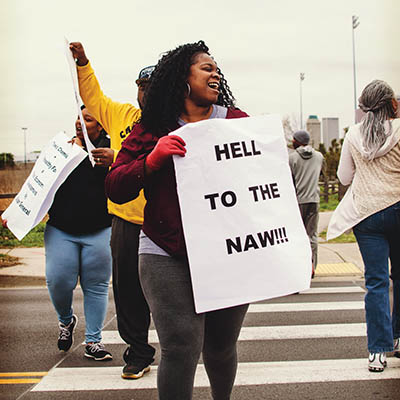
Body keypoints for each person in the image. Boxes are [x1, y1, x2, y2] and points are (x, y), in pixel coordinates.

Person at [105, 40, 249, 400]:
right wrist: (151, 160)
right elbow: (115, 186)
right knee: (181, 346)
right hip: (164, 251)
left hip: (226, 252)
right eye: (206, 68)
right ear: (181, 79)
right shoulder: (152, 128)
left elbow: (267, 186)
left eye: (217, 69)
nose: (215, 73)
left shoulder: (237, 122)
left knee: (219, 346)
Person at [69, 41, 156, 379]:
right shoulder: (122, 116)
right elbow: (93, 98)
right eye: (142, 87)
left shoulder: (176, 123)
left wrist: (117, 159)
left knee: (171, 290)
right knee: (128, 290)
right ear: (136, 90)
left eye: (154, 87)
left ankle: (187, 344)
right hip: (125, 220)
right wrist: (83, 64)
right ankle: (138, 351)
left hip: (166, 221)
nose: (146, 94)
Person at [332, 80, 400, 372]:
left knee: (376, 282)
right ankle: (399, 339)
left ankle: (377, 351)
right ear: (391, 104)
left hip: (367, 216)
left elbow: (344, 177)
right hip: (397, 207)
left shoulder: (353, 135)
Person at [45, 106, 113, 360]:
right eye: (77, 116)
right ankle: (66, 321)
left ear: (101, 126)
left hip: (99, 229)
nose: (79, 122)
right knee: (58, 280)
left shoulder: (110, 150)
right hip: (61, 228)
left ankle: (93, 341)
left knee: (95, 286)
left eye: (87, 119)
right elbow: (39, 184)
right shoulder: (63, 147)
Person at [289, 130, 324, 276]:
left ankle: (300, 267)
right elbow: (322, 173)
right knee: (312, 235)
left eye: (293, 139)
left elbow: (289, 180)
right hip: (314, 199)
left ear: (297, 141)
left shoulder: (292, 158)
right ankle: (312, 267)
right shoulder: (319, 156)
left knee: (298, 236)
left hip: (298, 201)